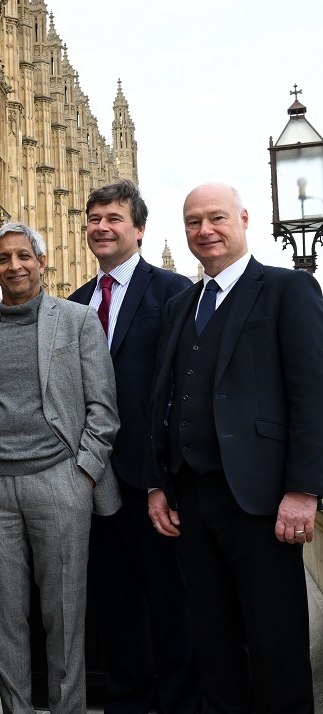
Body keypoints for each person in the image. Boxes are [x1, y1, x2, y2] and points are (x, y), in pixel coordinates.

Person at [147, 182, 323, 713]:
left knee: (276, 639)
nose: (205, 231)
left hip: (263, 499)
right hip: (193, 499)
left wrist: (304, 490)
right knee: (214, 641)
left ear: (244, 219)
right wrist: (158, 480)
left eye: (216, 218)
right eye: (194, 222)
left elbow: (312, 393)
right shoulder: (181, 305)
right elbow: (165, 396)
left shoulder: (287, 289)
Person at [0, 222, 120, 714]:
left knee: (65, 614)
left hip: (59, 482)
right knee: (2, 617)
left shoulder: (77, 321)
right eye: (3, 258)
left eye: (24, 256)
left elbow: (103, 409)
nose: (14, 266)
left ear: (41, 263)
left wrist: (82, 474)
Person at [68, 179, 198, 713]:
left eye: (113, 218)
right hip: (96, 483)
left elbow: (183, 388)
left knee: (171, 603)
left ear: (139, 230)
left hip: (155, 481)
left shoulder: (172, 292)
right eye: (94, 219)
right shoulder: (74, 304)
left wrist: (164, 477)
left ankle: (179, 703)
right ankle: (127, 700)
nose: (102, 227)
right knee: (116, 605)